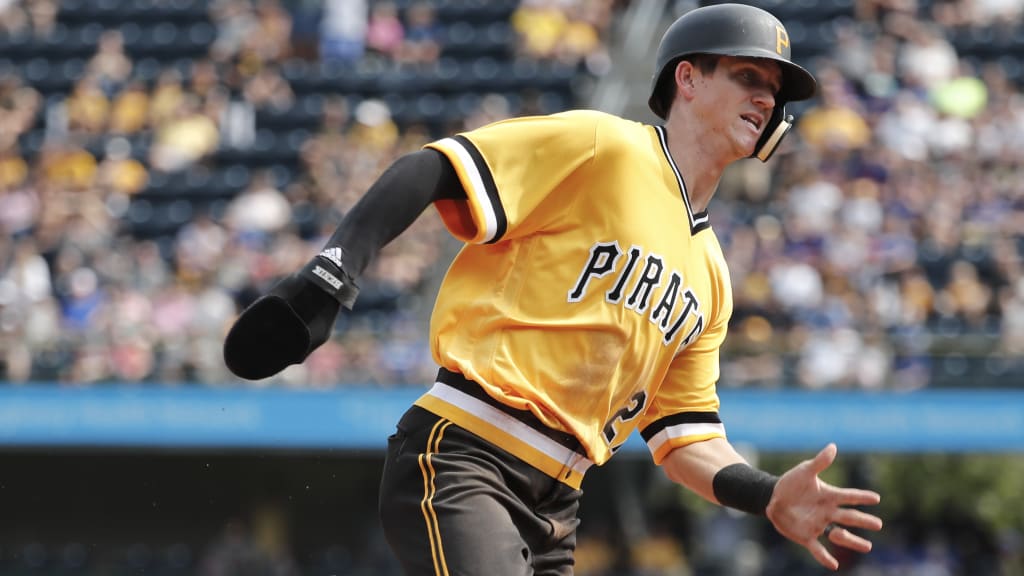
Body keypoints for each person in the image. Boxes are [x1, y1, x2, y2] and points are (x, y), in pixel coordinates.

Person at [222, 4, 883, 574]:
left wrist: (765, 494)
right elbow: (436, 167)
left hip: (558, 504)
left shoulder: (712, 274)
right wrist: (335, 269)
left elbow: (684, 437)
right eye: (748, 76)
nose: (767, 97)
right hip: (466, 455)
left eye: (775, 90)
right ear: (688, 78)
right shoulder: (606, 147)